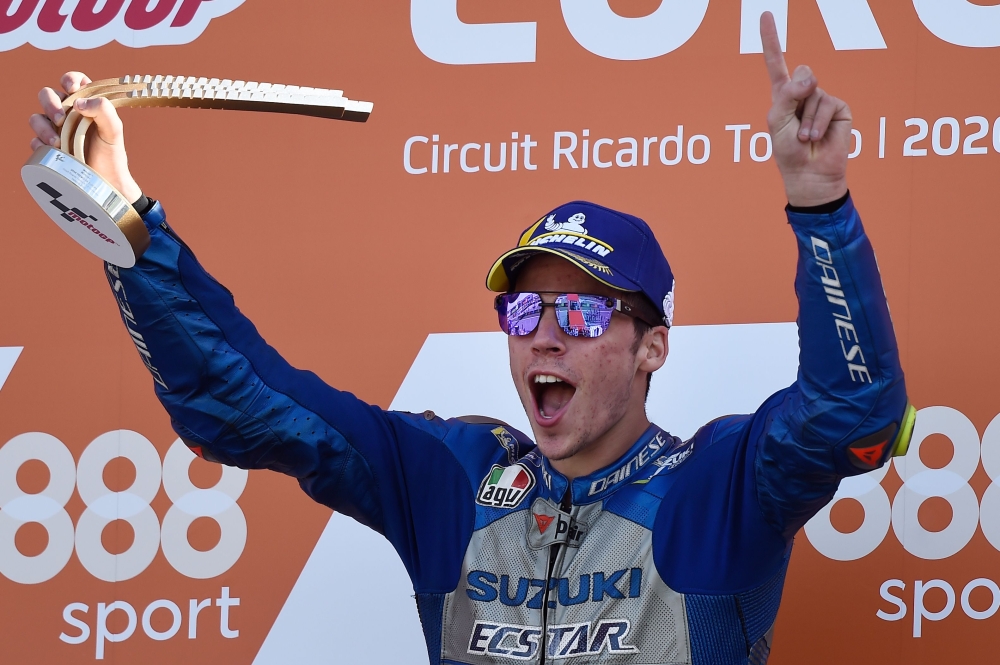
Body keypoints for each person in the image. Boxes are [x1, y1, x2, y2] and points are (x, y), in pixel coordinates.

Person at [28, 14, 912, 665]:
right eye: (525, 313)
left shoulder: (717, 484)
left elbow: (854, 415)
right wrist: (127, 226)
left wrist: (819, 206)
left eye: (582, 312)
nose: (545, 339)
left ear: (653, 346)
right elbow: (240, 405)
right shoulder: (452, 477)